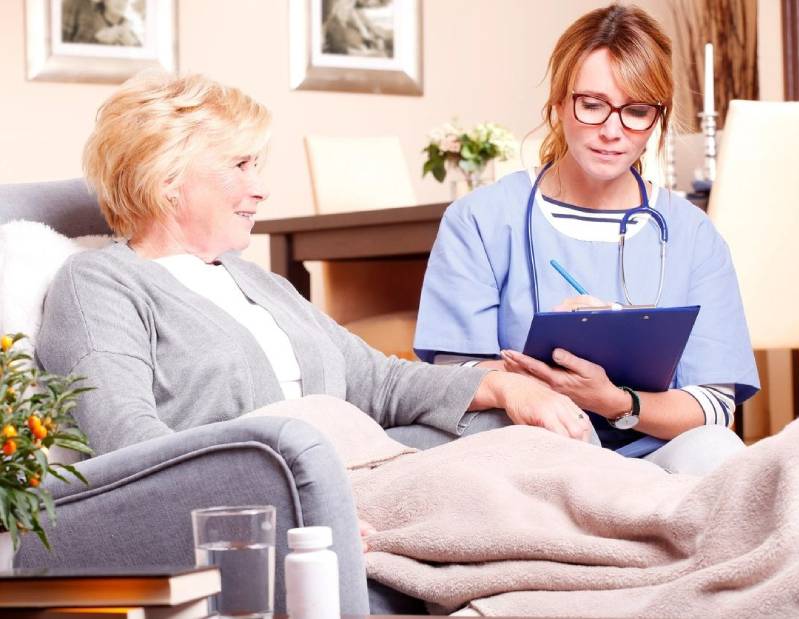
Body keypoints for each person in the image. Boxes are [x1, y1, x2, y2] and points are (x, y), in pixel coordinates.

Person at [36, 71, 596, 463]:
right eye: (240, 165)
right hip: (278, 488)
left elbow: (379, 380)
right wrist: (287, 503)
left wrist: (503, 387)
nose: (262, 188)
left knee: (522, 431)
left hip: (363, 462)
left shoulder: (256, 281)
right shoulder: (100, 285)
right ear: (166, 179)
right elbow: (129, 440)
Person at [413, 4, 759, 475]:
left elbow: (714, 407)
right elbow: (451, 379)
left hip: (654, 452)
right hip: (529, 447)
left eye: (636, 111)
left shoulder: (693, 235)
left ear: (657, 118)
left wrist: (617, 401)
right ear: (558, 103)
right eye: (592, 105)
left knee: (720, 454)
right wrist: (541, 379)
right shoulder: (481, 219)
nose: (612, 131)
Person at [62, 0, 143, 47]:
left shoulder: (129, 32)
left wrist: (132, 44)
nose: (120, 2)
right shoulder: (89, 21)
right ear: (104, 1)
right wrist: (98, 40)